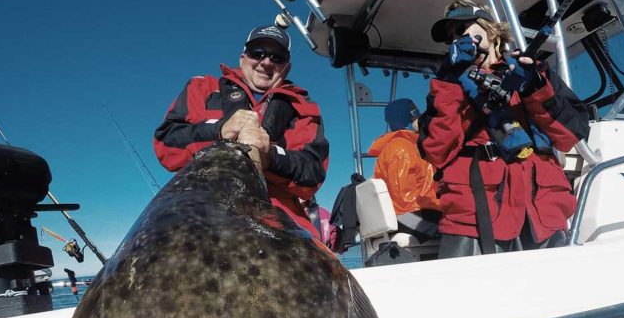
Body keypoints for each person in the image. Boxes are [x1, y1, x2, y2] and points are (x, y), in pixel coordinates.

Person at [420, 0, 589, 258]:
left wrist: (534, 86)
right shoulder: (446, 87)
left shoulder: (532, 71)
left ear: (491, 30)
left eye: (464, 27)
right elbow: (436, 150)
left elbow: (571, 134)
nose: (457, 38)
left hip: (542, 217)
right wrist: (450, 82)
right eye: (451, 36)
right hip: (472, 221)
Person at [153, 25, 328, 234]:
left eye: (277, 57)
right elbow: (166, 144)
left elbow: (313, 174)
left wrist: (270, 157)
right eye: (257, 53)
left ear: (286, 67)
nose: (266, 62)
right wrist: (218, 131)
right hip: (201, 218)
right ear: (242, 58)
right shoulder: (202, 88)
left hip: (278, 227)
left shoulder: (303, 108)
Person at [367, 98, 441, 220]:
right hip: (410, 215)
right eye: (415, 114)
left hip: (422, 211)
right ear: (403, 118)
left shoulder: (413, 147)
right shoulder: (401, 148)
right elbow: (403, 200)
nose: (420, 118)